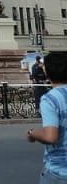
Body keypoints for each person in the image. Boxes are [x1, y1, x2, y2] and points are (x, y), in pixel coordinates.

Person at [27, 52, 67, 183]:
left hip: (59, 171)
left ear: (47, 73)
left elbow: (50, 137)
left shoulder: (50, 99)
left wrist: (32, 133)